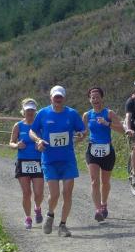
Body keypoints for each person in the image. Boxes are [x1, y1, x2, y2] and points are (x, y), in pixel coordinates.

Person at [29, 85, 86, 237]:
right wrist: (38, 140)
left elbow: (82, 130)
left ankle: (63, 225)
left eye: (60, 97)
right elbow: (32, 131)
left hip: (68, 160)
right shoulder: (43, 113)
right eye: (56, 97)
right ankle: (50, 214)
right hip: (49, 160)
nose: (58, 99)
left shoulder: (72, 114)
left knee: (67, 193)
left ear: (64, 98)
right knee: (54, 194)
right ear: (51, 98)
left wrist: (82, 134)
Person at [83, 87, 126, 222]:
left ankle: (104, 204)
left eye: (97, 97)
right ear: (90, 100)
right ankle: (98, 210)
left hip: (107, 151)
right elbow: (84, 132)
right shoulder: (87, 115)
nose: (95, 99)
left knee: (105, 182)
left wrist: (107, 123)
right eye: (92, 97)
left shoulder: (109, 113)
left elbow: (122, 130)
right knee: (94, 181)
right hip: (92, 150)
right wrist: (78, 136)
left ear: (102, 98)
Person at [9, 98, 45, 229]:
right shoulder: (18, 126)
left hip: (38, 161)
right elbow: (11, 143)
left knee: (38, 193)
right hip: (23, 161)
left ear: (35, 111)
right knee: (26, 193)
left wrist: (41, 146)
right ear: (23, 111)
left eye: (32, 110)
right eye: (27, 110)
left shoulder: (40, 126)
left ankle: (37, 207)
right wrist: (17, 145)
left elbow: (46, 141)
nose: (30, 112)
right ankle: (28, 218)